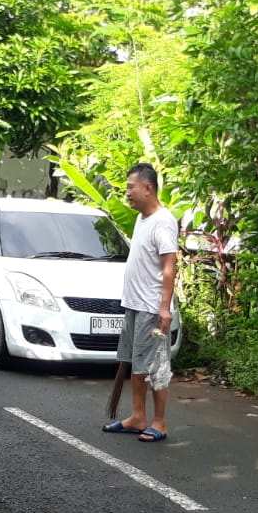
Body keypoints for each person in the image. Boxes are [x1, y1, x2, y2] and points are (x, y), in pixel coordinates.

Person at [103, 162, 178, 443]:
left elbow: (169, 265)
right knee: (136, 364)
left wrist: (164, 307)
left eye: (131, 188)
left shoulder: (163, 220)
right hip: (134, 304)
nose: (128, 194)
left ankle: (159, 421)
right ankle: (138, 416)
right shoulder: (141, 219)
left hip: (151, 306)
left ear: (148, 187)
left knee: (156, 365)